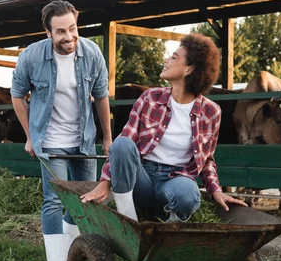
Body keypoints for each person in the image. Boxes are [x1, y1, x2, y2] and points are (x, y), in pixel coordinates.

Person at [81, 33, 246, 221]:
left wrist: (216, 191)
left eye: (174, 57)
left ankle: (168, 230)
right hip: (140, 177)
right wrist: (105, 180)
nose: (166, 60)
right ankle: (128, 218)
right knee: (122, 144)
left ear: (189, 69)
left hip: (175, 179)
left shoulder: (211, 112)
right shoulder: (150, 98)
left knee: (189, 196)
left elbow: (207, 160)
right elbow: (124, 142)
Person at [11, 0, 112, 261]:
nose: (68, 37)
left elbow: (101, 96)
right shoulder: (32, 57)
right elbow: (17, 95)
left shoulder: (92, 52)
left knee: (86, 201)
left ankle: (76, 258)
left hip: (84, 141)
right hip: (51, 141)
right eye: (60, 32)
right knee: (54, 200)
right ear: (47, 33)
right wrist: (30, 136)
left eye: (72, 28)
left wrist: (107, 137)